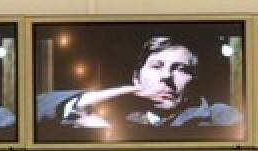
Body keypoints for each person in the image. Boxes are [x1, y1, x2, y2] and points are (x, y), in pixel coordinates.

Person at [36, 36, 241, 129]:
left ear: (194, 79)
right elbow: (34, 109)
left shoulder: (218, 115)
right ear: (137, 78)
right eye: (157, 66)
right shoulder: (122, 115)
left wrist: (107, 132)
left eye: (180, 69)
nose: (166, 77)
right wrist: (124, 90)